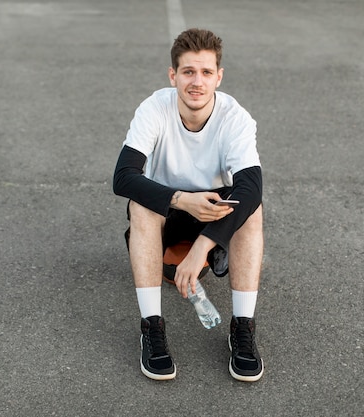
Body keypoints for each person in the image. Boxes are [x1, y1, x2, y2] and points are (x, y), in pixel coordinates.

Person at [112, 28, 264, 382]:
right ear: (173, 76)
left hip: (212, 212)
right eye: (188, 72)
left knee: (252, 209)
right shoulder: (154, 108)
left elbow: (252, 188)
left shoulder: (235, 118)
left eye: (206, 73)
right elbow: (123, 177)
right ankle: (151, 327)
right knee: (141, 204)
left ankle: (243, 327)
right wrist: (181, 199)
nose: (197, 82)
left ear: (219, 77)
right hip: (169, 211)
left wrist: (202, 248)